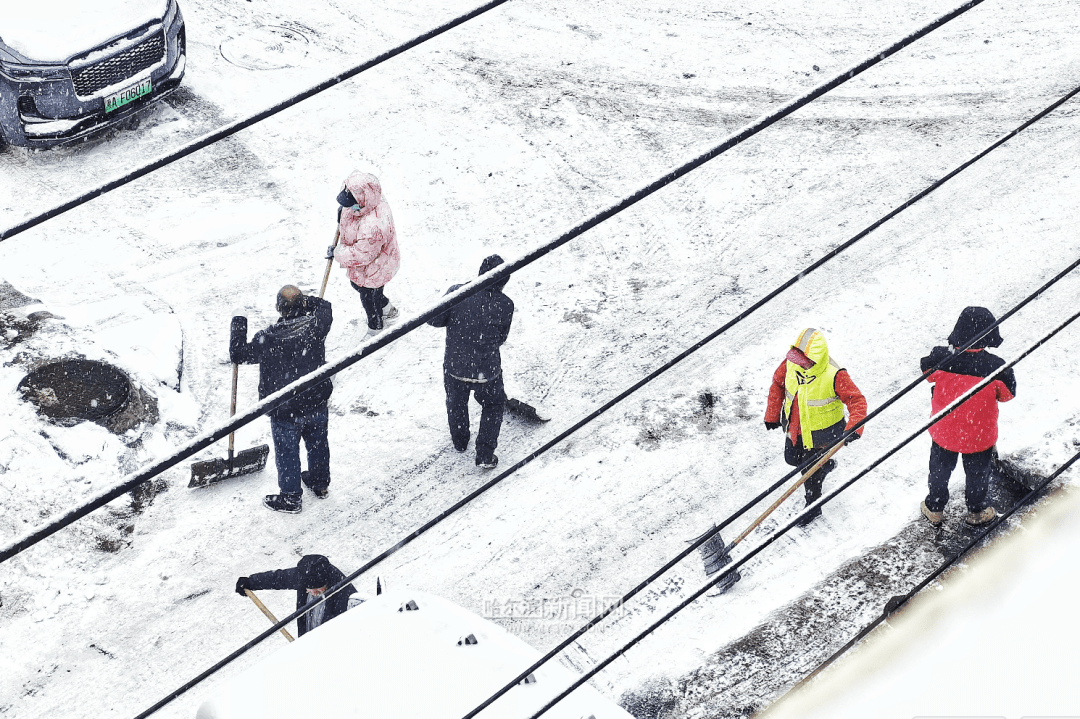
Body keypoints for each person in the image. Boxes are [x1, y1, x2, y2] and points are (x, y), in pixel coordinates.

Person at [231, 286, 334, 513]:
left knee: (287, 453)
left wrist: (238, 324)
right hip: (316, 399)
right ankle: (319, 483)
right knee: (318, 444)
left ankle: (290, 497)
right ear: (302, 305)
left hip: (285, 408)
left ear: (279, 308)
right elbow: (325, 307)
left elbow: (238, 354)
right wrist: (306, 300)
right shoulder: (316, 327)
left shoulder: (267, 339)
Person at [919, 307, 1016, 527]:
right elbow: (1007, 395)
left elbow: (926, 373)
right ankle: (977, 511)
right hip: (979, 436)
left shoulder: (941, 358)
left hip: (945, 431)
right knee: (978, 475)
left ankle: (934, 508)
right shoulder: (997, 367)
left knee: (939, 471)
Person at [764, 328, 867, 526]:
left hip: (824, 435)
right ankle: (825, 466)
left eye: (803, 361)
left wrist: (854, 428)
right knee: (791, 458)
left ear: (815, 359)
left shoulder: (835, 374)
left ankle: (813, 507)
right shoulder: (790, 365)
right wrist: (772, 414)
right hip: (796, 431)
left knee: (809, 474)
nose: (798, 364)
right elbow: (777, 384)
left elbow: (858, 401)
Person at [427, 255, 514, 469]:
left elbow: (434, 319)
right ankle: (484, 453)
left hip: (456, 366)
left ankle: (460, 440)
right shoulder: (505, 304)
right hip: (487, 369)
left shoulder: (458, 292)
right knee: (493, 404)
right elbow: (502, 337)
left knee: (456, 403)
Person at [333, 171, 400, 337]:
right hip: (371, 265)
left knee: (369, 299)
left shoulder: (373, 226)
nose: (348, 207)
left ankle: (375, 329)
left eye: (351, 204)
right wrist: (343, 216)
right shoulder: (368, 201)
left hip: (377, 267)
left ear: (362, 200)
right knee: (361, 288)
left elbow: (361, 255)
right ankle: (387, 308)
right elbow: (353, 214)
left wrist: (337, 253)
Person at [235, 554, 356, 637]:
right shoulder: (304, 575)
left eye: (319, 588)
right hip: (307, 641)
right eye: (310, 589)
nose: (314, 593)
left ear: (326, 582)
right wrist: (251, 582)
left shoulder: (343, 593)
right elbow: (278, 578)